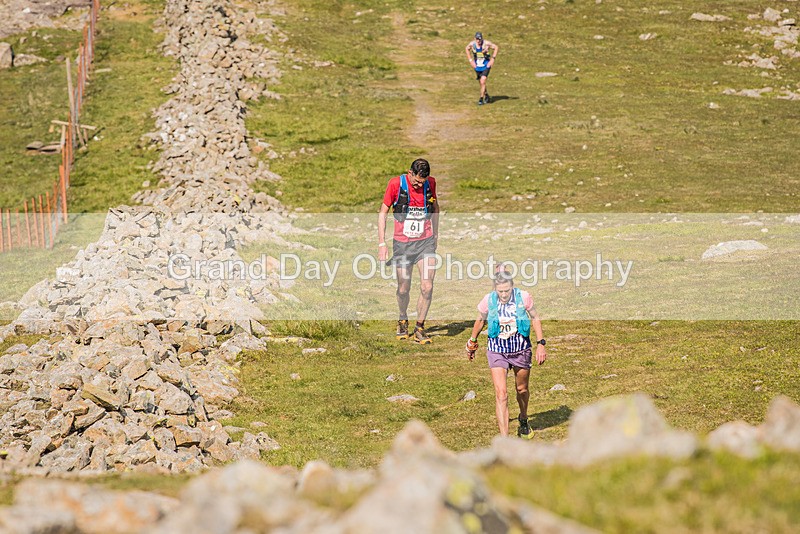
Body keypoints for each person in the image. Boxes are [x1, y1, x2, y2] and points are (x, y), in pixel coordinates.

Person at [466, 265, 547, 438]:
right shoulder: (488, 300)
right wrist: (472, 341)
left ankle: (523, 418)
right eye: (500, 291)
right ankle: (505, 440)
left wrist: (541, 343)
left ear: (512, 286)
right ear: (495, 288)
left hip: (520, 349)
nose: (503, 295)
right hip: (497, 350)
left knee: (522, 389)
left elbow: (535, 317)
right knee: (501, 394)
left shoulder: (523, 297)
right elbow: (480, 320)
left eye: (507, 291)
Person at [378, 158, 440, 344]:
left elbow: (435, 207)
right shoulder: (395, 184)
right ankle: (403, 318)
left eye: (423, 182)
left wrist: (435, 235)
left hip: (425, 243)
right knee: (403, 289)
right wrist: (382, 243)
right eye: (416, 181)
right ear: (410, 173)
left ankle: (420, 327)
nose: (419, 185)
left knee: (427, 286)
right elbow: (383, 212)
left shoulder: (431, 183)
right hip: (402, 244)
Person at [465, 31, 499, 105]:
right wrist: (471, 60)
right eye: (477, 39)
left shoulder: (486, 44)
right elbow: (467, 49)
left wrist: (492, 59)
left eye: (480, 39)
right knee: (481, 82)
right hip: (477, 66)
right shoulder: (472, 44)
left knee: (483, 81)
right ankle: (486, 96)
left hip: (486, 65)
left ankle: (481, 99)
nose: (479, 41)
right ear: (475, 39)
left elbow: (496, 47)